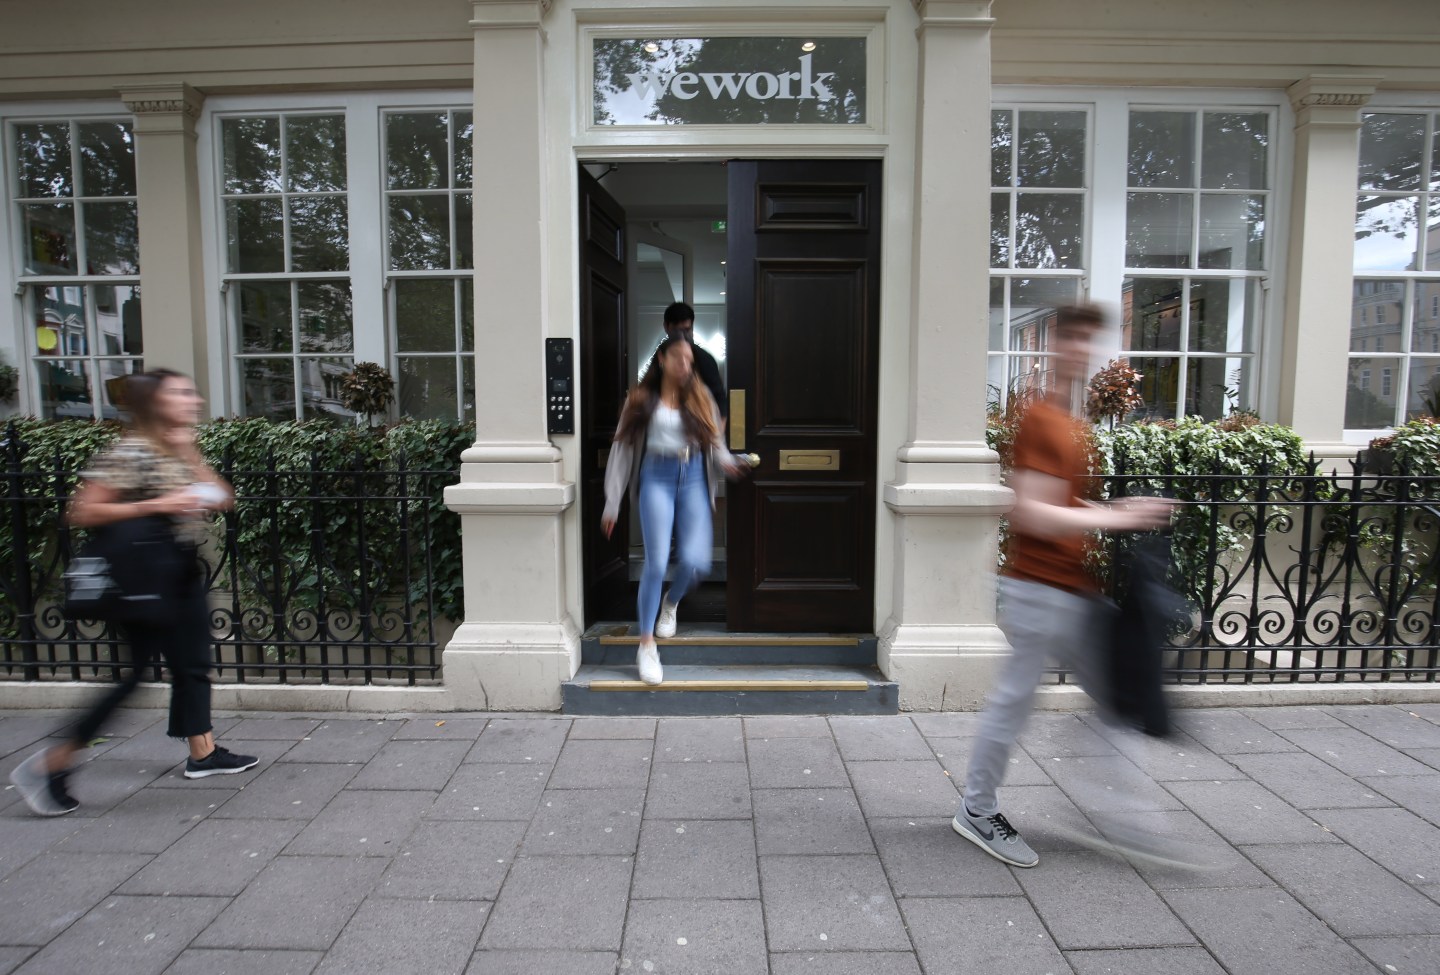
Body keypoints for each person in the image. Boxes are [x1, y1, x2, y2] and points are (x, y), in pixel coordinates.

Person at [952, 305, 1172, 868]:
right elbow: (1035, 514)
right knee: (1017, 703)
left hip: (1072, 590)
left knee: (1113, 700)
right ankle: (979, 810)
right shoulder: (1042, 422)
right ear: (1054, 344)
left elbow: (1061, 506)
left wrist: (1116, 508)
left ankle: (1120, 815)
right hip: (1038, 591)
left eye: (1088, 340)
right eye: (1070, 338)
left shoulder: (1070, 423)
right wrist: (1118, 516)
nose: (1079, 350)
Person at [9, 370, 258, 816]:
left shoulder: (175, 446)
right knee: (134, 676)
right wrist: (157, 504)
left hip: (177, 572)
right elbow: (82, 511)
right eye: (180, 393)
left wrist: (190, 454)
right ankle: (50, 765)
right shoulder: (132, 450)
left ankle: (203, 754)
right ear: (153, 403)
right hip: (144, 579)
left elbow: (222, 497)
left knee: (193, 664)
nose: (193, 399)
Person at [602, 336, 746, 685]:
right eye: (679, 357)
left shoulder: (701, 397)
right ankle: (646, 644)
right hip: (657, 477)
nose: (686, 364)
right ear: (663, 359)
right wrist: (612, 500)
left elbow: (716, 443)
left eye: (689, 359)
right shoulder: (639, 400)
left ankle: (672, 601)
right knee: (655, 563)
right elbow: (621, 452)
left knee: (697, 562)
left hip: (694, 477)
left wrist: (729, 463)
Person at [660, 302, 727, 422]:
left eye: (686, 330)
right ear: (666, 327)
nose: (682, 335)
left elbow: (720, 400)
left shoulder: (705, 359)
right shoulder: (659, 356)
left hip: (697, 428)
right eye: (677, 330)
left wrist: (716, 437)